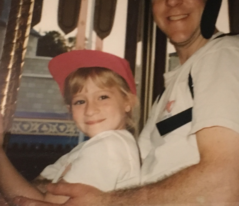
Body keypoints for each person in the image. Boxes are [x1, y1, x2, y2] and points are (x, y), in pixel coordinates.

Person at [14, 0, 239, 206]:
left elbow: (223, 190)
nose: (173, 1)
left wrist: (106, 202)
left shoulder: (227, 56)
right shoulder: (175, 84)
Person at [0, 50, 140, 204]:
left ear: (127, 102)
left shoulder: (108, 146)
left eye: (102, 97)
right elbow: (35, 189)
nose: (90, 110)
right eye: (80, 101)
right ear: (70, 109)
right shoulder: (88, 147)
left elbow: (40, 202)